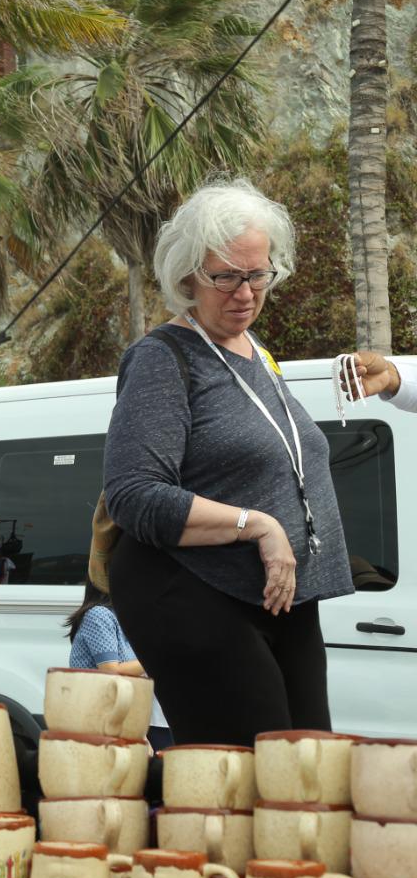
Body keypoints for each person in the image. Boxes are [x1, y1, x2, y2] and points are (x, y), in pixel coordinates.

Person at [104, 180, 352, 744]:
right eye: (226, 277)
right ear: (188, 275)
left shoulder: (256, 352)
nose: (245, 293)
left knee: (309, 772)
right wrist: (257, 524)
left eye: (259, 274)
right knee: (248, 782)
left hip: (281, 596)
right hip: (192, 591)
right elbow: (133, 494)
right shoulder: (162, 357)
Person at [65, 583, 173, 750]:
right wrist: (158, 659)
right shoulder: (99, 614)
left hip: (121, 718)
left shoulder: (125, 618)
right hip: (99, 720)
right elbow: (111, 670)